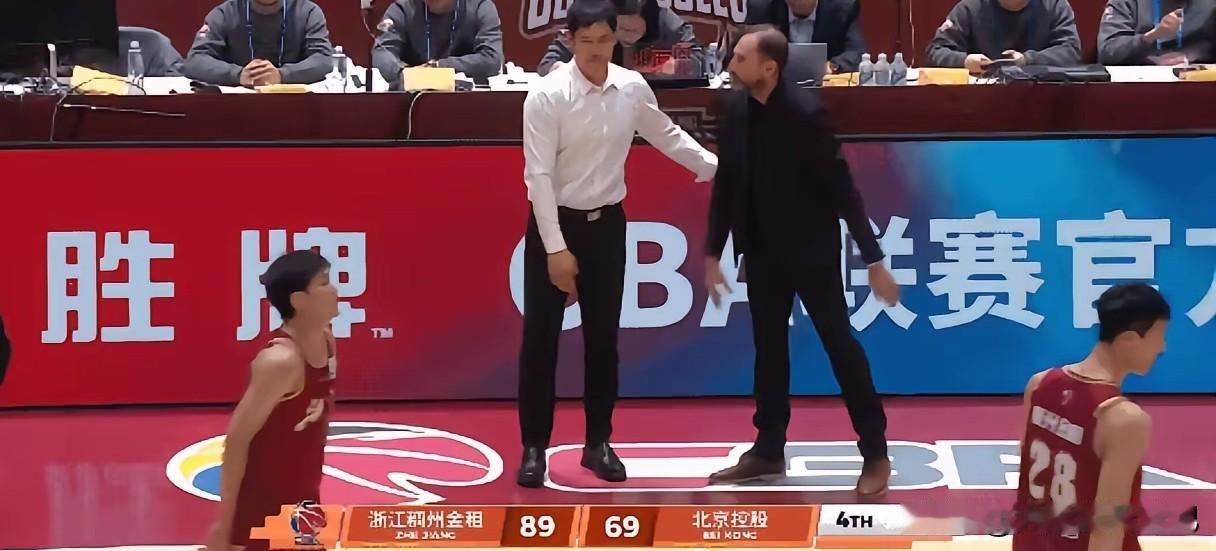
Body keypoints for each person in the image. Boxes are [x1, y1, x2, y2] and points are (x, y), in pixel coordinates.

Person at [517, 0, 718, 488]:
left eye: (604, 40)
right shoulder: (546, 95)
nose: (595, 50)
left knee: (603, 340)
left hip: (607, 225)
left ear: (617, 38)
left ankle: (598, 442)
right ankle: (534, 447)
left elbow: (666, 134)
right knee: (540, 342)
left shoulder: (630, 87)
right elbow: (537, 176)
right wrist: (556, 249)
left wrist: (714, 168)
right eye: (585, 41)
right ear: (569, 39)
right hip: (554, 223)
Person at [703, 27, 898, 496]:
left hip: (812, 250)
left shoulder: (806, 114)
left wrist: (873, 258)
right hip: (761, 250)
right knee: (768, 349)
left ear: (769, 68)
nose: (731, 65)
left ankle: (875, 451)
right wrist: (713, 252)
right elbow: (726, 186)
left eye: (741, 58)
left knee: (839, 345)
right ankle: (768, 449)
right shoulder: (735, 111)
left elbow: (843, 190)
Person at [1012, 283, 1169, 551]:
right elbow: (1107, 529)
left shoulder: (1039, 384)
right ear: (1129, 339)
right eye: (1159, 336)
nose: (1162, 347)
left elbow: (1026, 487)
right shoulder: (1123, 419)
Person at [204, 250, 339, 551]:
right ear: (298, 300)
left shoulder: (327, 340)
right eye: (323, 283)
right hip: (263, 513)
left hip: (304, 504)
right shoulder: (279, 362)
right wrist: (224, 526)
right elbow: (237, 442)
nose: (334, 290)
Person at [184, 0, 334, 87]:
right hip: (236, 106)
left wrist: (283, 75)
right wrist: (237, 74)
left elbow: (323, 59)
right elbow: (195, 61)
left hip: (294, 104)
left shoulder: (308, 12)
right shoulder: (224, 13)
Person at [536, 0, 704, 76]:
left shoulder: (660, 18)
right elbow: (548, 64)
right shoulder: (589, 15)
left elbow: (701, 61)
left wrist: (661, 65)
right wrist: (581, 68)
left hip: (651, 103)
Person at [924, 0, 1082, 73]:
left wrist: (1027, 61)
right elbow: (935, 51)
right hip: (980, 99)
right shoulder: (970, 7)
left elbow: (1071, 51)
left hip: (1040, 96)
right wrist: (964, 62)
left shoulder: (1054, 5)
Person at [372, 0, 505, 87]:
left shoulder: (480, 6)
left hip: (466, 99)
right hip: (412, 96)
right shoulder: (403, 8)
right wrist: (406, 73)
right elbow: (382, 51)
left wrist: (439, 67)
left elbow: (492, 59)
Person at [722, 0, 867, 74]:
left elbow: (856, 53)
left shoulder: (843, 7)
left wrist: (831, 67)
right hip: (772, 92)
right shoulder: (762, 7)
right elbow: (738, 53)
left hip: (825, 92)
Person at [1098, 0, 1216, 66]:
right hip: (1140, 81)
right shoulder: (1128, 2)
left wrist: (1192, 57)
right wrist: (1151, 37)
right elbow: (1108, 51)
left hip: (1198, 78)